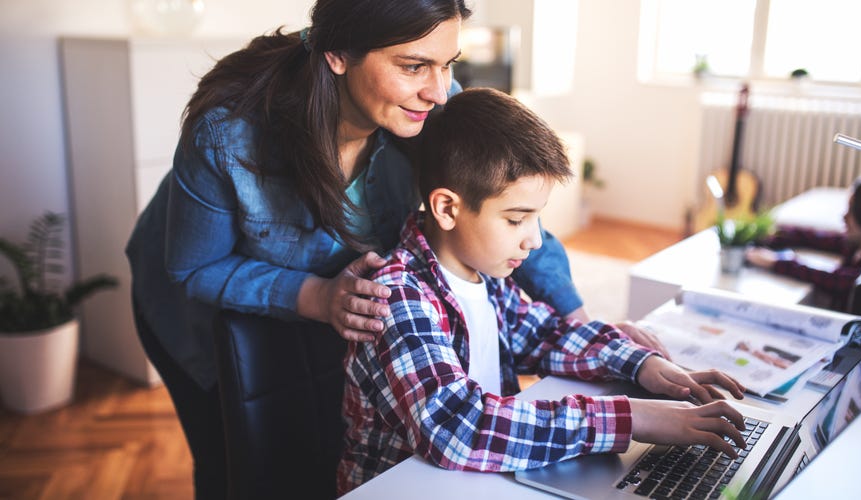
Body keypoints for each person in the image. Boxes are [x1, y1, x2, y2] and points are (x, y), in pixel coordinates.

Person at [124, 1, 611, 497]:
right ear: (338, 54)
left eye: (449, 64)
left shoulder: (434, 99)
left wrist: (577, 321)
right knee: (233, 466)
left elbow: (508, 205)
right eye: (413, 66)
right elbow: (194, 266)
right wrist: (316, 295)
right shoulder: (229, 134)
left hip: (339, 304)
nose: (440, 91)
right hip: (197, 315)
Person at [338, 88, 748, 494]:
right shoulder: (396, 295)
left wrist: (645, 366)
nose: (534, 240)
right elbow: (460, 429)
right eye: (517, 219)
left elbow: (546, 334)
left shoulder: (486, 276)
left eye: (538, 218)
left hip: (481, 477)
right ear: (447, 209)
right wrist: (633, 418)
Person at [745, 174, 861, 312]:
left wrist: (777, 262)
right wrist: (771, 235)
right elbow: (815, 238)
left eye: (852, 210)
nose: (844, 216)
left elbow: (841, 282)